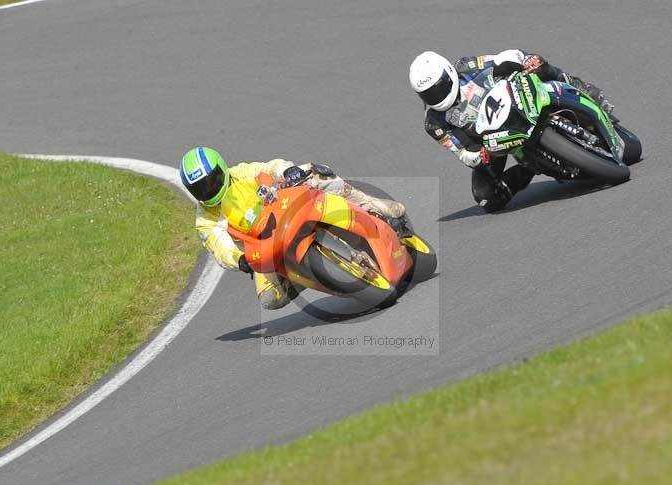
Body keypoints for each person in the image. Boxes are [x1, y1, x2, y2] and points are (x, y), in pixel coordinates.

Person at [179, 147, 405, 310]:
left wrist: (288, 172)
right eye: (200, 189)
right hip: (262, 247)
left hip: (287, 211)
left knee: (316, 175)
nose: (209, 191)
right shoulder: (205, 219)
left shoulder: (241, 173)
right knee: (270, 299)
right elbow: (218, 246)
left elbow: (271, 166)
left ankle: (374, 208)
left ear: (222, 170)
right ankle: (309, 276)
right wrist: (239, 260)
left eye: (212, 182)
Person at [409, 50, 613, 211]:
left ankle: (583, 89)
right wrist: (480, 155)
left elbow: (500, 60)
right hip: (494, 142)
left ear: (448, 73)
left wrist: (525, 60)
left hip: (516, 102)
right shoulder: (434, 124)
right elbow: (461, 152)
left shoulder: (466, 66)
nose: (436, 96)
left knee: (539, 65)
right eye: (428, 95)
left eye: (438, 88)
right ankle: (530, 167)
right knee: (486, 198)